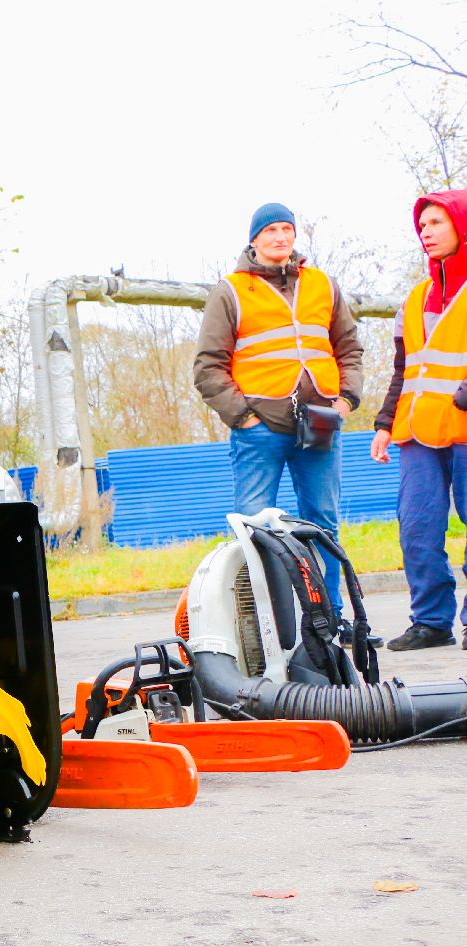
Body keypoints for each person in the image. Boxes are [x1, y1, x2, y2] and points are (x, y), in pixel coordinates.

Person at [194, 202, 365, 638]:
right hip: (261, 429)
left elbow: (349, 348)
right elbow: (208, 367)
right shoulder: (230, 290)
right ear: (254, 239)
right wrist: (244, 417)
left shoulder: (323, 285)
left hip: (321, 422)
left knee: (322, 524)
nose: (280, 236)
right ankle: (262, 625)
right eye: (270, 230)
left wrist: (346, 400)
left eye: (287, 228)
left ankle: (330, 621)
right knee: (253, 529)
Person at [370, 191, 467, 651]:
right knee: (417, 525)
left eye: (436, 223)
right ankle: (431, 621)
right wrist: (386, 424)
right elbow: (403, 368)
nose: (425, 233)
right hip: (418, 433)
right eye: (421, 226)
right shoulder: (414, 298)